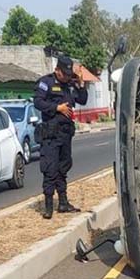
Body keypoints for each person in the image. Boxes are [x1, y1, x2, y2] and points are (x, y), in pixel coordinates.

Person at [33, 56, 87, 219]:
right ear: (57, 70)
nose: (67, 76)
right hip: (51, 133)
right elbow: (38, 102)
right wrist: (57, 107)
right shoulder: (46, 82)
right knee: (50, 168)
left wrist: (81, 84)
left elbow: (83, 100)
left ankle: (63, 202)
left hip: (65, 133)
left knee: (63, 167)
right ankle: (48, 206)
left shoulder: (69, 85)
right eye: (64, 73)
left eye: (69, 74)